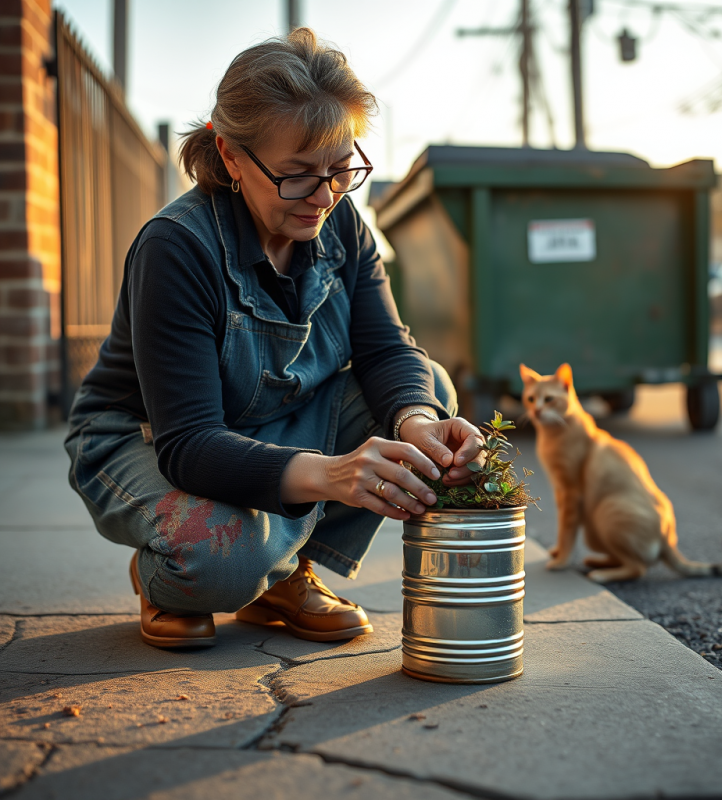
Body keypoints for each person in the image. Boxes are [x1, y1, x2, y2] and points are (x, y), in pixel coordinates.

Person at [64, 28, 482, 650]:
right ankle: (177, 571)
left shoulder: (343, 221)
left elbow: (386, 349)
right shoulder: (176, 248)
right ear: (230, 155)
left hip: (271, 423)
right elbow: (189, 444)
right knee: (219, 561)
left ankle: (285, 573)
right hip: (151, 439)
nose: (324, 197)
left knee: (425, 392)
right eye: (297, 176)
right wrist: (333, 474)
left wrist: (418, 420)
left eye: (342, 171)